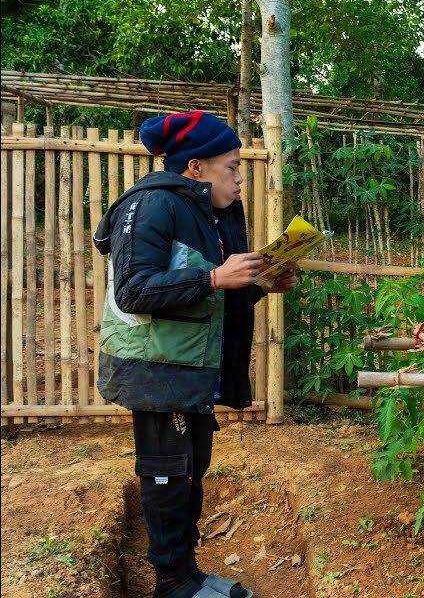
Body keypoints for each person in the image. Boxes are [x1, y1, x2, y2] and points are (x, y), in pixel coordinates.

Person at [94, 111, 298, 598]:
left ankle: (186, 573)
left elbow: (209, 296)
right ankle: (171, 583)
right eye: (232, 167)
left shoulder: (212, 215)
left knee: (191, 468)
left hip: (190, 368)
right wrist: (213, 277)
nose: (240, 178)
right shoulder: (153, 206)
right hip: (154, 369)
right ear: (195, 169)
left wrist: (260, 284)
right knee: (166, 474)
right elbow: (134, 290)